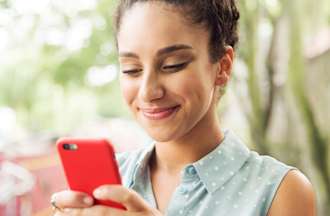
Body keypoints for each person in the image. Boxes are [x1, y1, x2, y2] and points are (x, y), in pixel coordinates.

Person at [51, 0, 316, 215]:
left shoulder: (279, 191)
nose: (148, 92)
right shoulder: (106, 185)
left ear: (222, 67)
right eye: (131, 70)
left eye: (173, 65)